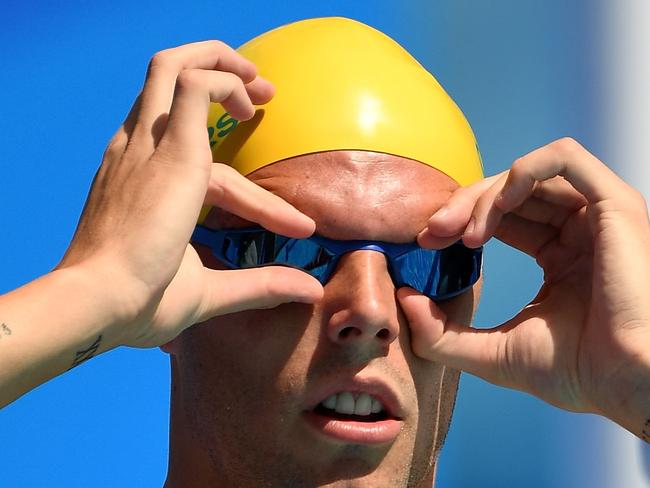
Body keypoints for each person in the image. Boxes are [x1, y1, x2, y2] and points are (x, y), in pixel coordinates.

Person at [0, 16, 648, 487]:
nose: (370, 310)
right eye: (284, 249)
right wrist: (91, 292)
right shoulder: (114, 293)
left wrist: (638, 381)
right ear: (169, 288)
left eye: (431, 262)